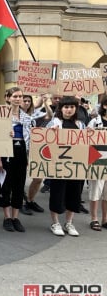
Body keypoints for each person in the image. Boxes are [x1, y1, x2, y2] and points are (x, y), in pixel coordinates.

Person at [47, 96, 84, 237]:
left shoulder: (80, 124)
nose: (69, 110)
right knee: (57, 192)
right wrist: (52, 132)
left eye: (72, 107)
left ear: (76, 109)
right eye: (66, 107)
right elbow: (43, 138)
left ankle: (69, 222)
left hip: (75, 166)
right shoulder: (55, 122)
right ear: (61, 108)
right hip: (59, 166)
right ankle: (55, 222)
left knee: (74, 194)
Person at [0, 87, 31, 233]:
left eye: (20, 96)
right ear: (8, 98)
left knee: (19, 185)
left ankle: (16, 217)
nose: (18, 99)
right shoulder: (1, 115)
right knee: (5, 185)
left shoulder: (27, 118)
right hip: (6, 152)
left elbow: (32, 138)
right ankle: (7, 217)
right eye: (15, 96)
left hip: (22, 152)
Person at [86, 95, 107, 231]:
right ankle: (94, 218)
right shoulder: (95, 122)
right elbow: (85, 139)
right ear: (105, 106)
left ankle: (105, 219)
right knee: (96, 190)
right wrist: (89, 133)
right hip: (98, 158)